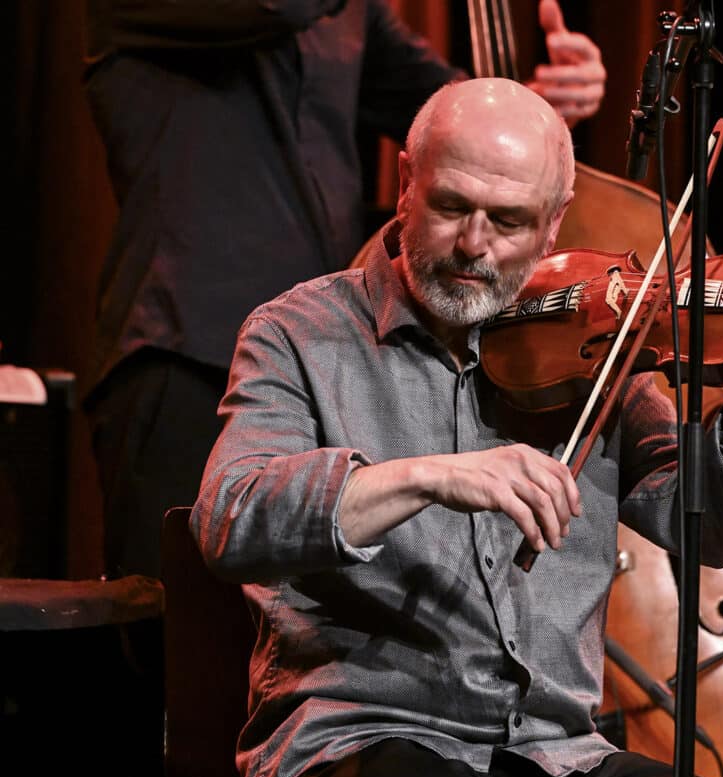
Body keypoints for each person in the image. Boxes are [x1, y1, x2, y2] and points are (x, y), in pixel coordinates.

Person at [190, 77, 723, 777]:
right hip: (357, 743)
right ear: (404, 186)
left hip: (556, 757)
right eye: (451, 206)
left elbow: (711, 523)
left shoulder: (597, 346)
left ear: (555, 221)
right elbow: (230, 516)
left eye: (511, 221)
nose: (474, 245)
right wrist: (428, 476)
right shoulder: (302, 334)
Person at [83, 0, 606, 582]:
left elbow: (451, 125)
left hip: (330, 361)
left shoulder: (352, 17)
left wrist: (534, 112)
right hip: (182, 353)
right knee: (169, 632)